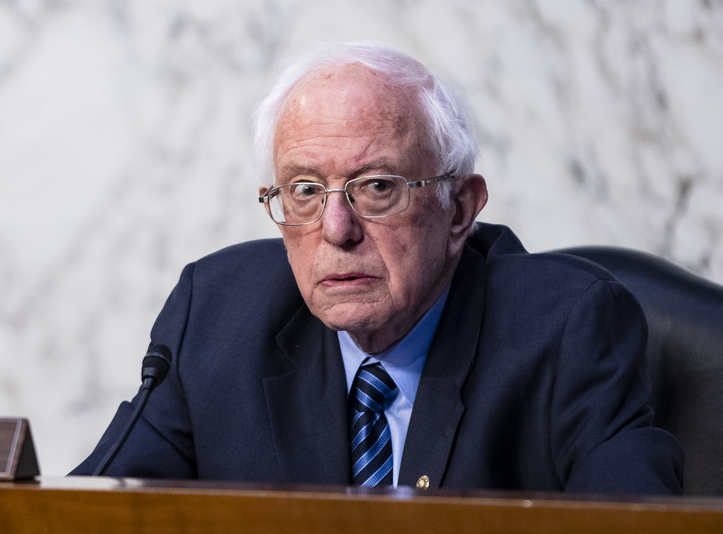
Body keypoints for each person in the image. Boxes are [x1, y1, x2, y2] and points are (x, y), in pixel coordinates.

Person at [72, 42, 683, 494]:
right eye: (305, 191)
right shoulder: (214, 317)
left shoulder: (568, 329)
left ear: (459, 209)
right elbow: (87, 513)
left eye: (378, 186)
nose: (336, 229)